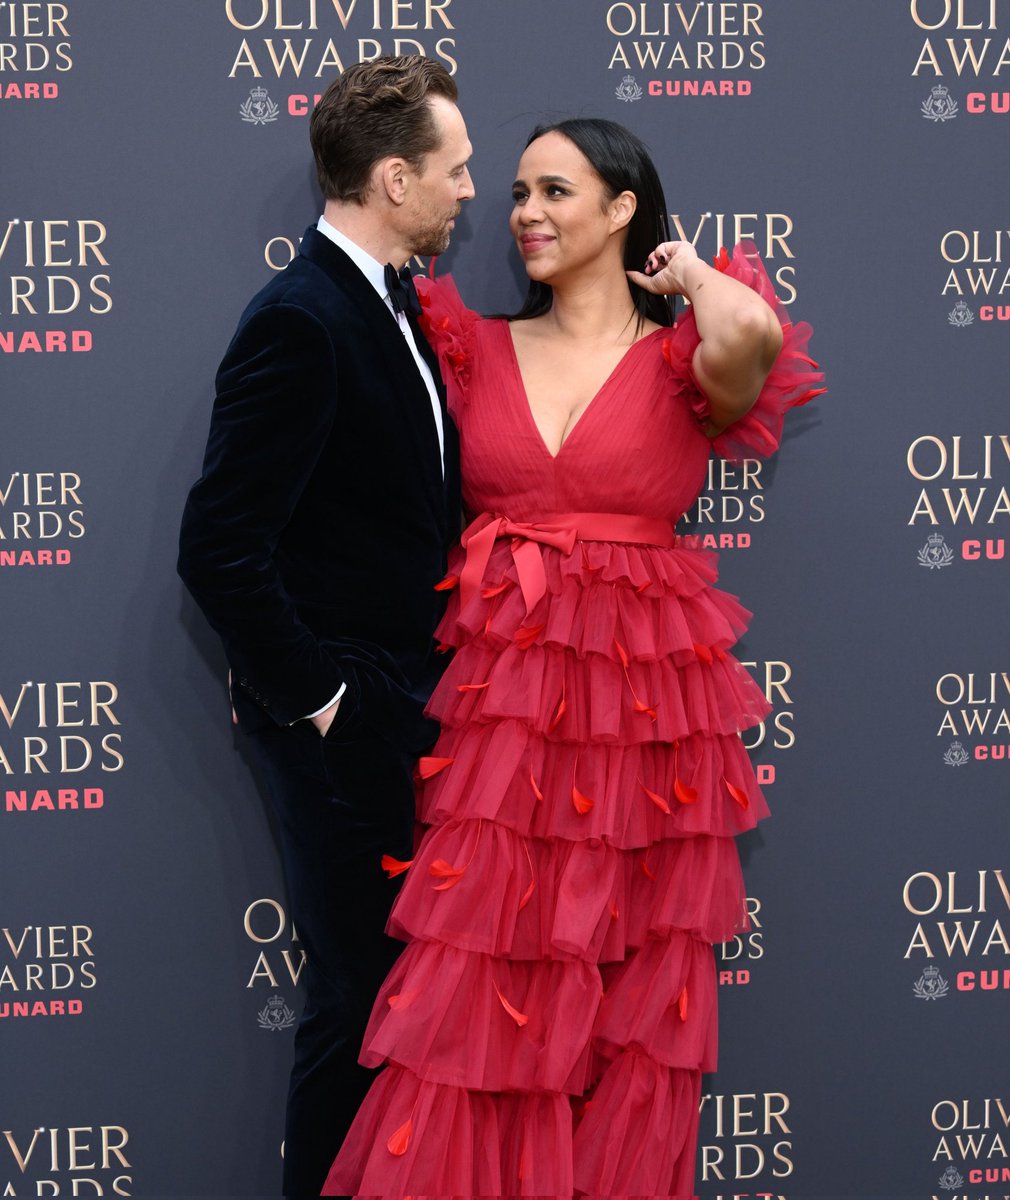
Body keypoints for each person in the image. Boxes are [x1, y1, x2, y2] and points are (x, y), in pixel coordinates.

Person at [322, 116, 824, 1199]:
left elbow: (758, 338)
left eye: (554, 191)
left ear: (621, 209)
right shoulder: (469, 344)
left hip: (646, 733)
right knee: (474, 989)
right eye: (513, 194)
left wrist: (686, 271)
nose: (524, 215)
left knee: (627, 999)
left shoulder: (686, 358)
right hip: (499, 731)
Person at [176, 55, 473, 1199]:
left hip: (405, 707)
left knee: (394, 1005)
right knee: (356, 1004)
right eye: (452, 170)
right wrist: (329, 703)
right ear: (393, 178)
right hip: (338, 721)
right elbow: (218, 548)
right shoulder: (301, 317)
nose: (467, 191)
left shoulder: (387, 302)